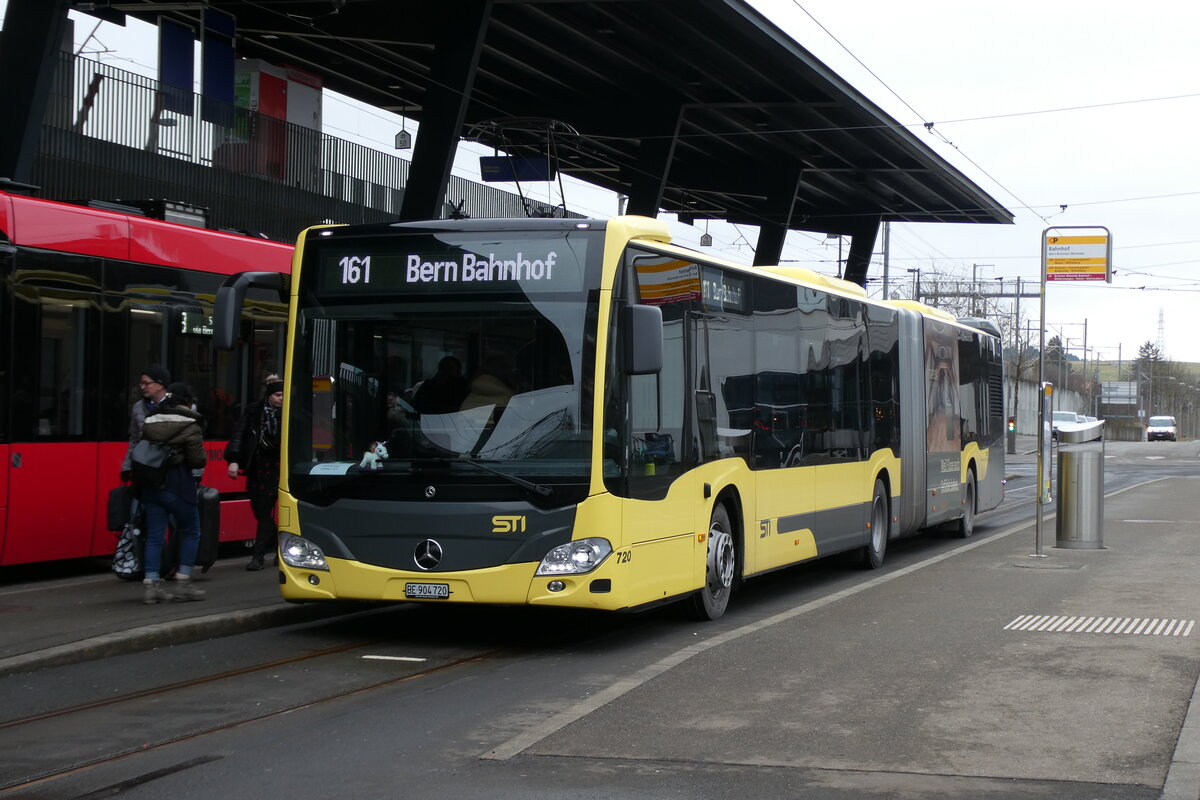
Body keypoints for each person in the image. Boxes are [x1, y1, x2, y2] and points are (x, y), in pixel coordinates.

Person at [139, 382, 208, 604]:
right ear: (188, 401)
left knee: (155, 536)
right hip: (178, 483)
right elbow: (198, 460)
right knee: (191, 530)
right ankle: (183, 582)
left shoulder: (151, 419)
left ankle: (151, 585)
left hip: (151, 483)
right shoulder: (191, 423)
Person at [226, 375, 283, 571]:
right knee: (260, 511)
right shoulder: (253, 411)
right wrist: (233, 459)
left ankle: (258, 556)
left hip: (279, 467)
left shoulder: (290, 413)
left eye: (284, 394)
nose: (281, 398)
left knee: (268, 512)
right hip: (258, 467)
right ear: (268, 396)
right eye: (277, 394)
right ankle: (279, 549)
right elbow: (239, 434)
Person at [120, 364, 171, 484]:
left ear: (160, 385)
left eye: (146, 383)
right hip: (144, 468)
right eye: (141, 383)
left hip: (167, 470)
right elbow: (134, 440)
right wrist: (127, 467)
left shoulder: (176, 405)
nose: (142, 387)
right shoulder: (138, 407)